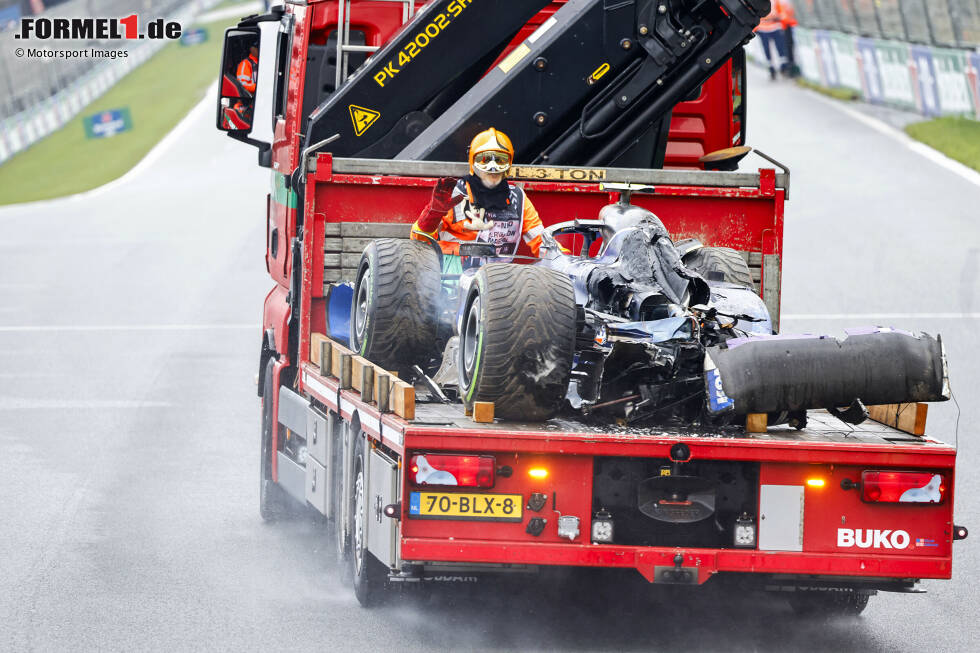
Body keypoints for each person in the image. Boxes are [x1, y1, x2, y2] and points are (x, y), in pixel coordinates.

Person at [411, 128, 553, 264]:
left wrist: (565, 260)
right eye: (484, 159)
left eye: (500, 159)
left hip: (498, 279)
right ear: (473, 161)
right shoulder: (455, 194)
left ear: (509, 163)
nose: (492, 167)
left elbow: (541, 241)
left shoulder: (517, 198)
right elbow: (419, 240)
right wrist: (433, 214)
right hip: (451, 278)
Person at [754, 1, 788, 80]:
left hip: (775, 27)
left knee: (781, 48)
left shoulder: (776, 1)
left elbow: (783, 13)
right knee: (767, 49)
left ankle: (783, 68)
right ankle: (771, 69)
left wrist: (779, 17)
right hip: (763, 28)